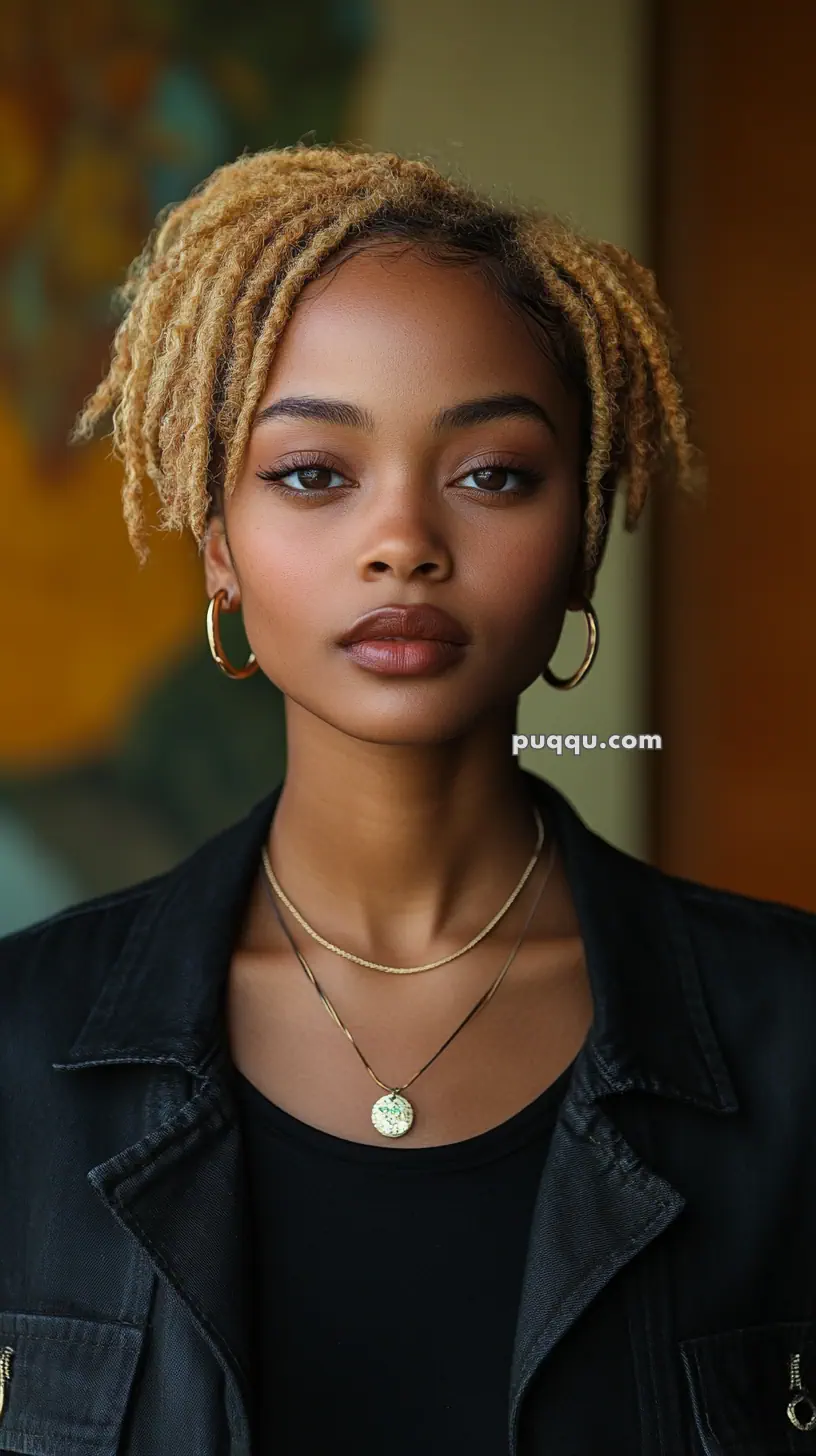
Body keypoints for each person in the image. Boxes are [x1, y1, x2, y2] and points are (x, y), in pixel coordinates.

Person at [1, 143, 815, 1456]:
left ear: (581, 542)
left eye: (491, 473)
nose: (404, 541)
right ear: (220, 545)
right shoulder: (20, 1053)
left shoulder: (790, 1036)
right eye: (315, 473)